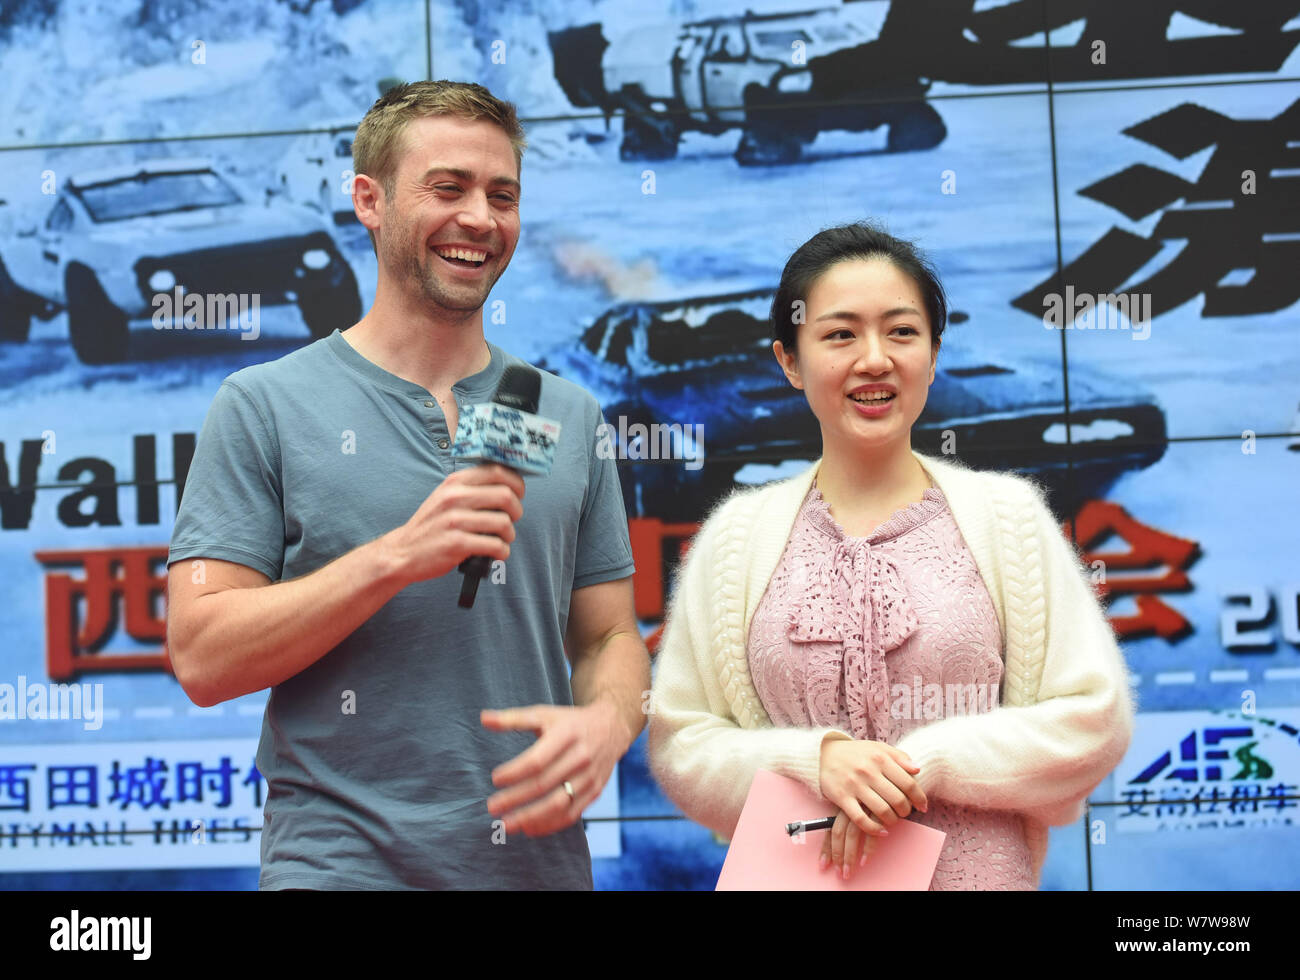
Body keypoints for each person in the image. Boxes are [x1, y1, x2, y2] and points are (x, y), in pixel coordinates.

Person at [166, 80, 651, 890]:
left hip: (538, 868)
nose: (480, 219)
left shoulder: (563, 412)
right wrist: (396, 556)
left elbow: (608, 638)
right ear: (370, 200)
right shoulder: (264, 405)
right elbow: (203, 657)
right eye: (448, 188)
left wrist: (607, 720)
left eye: (503, 195)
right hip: (338, 868)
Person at [647, 222, 1136, 889]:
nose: (873, 359)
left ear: (933, 356)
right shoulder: (736, 535)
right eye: (840, 333)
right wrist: (812, 761)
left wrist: (926, 762)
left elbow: (1094, 716)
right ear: (789, 360)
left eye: (902, 332)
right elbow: (683, 744)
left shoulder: (1008, 518)